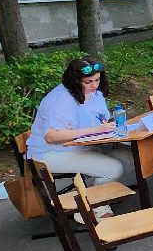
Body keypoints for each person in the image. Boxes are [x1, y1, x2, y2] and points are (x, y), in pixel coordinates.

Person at [25, 57, 126, 186]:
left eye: (97, 80)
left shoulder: (94, 93)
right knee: (113, 169)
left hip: (82, 146)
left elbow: (100, 120)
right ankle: (96, 203)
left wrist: (105, 127)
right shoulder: (59, 99)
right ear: (75, 81)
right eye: (88, 81)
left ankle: (92, 191)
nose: (94, 85)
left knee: (129, 158)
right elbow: (51, 136)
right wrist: (95, 130)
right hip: (51, 154)